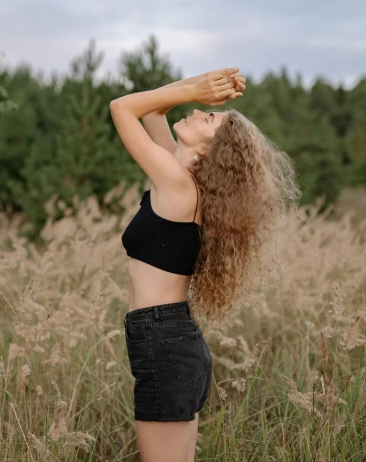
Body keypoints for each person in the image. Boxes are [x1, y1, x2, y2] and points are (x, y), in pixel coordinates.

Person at [110, 68, 300, 461]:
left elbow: (123, 108)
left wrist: (193, 89)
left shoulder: (178, 188)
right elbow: (153, 114)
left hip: (163, 341)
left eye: (208, 118)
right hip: (171, 338)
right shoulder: (181, 179)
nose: (197, 112)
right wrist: (204, 83)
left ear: (213, 151)